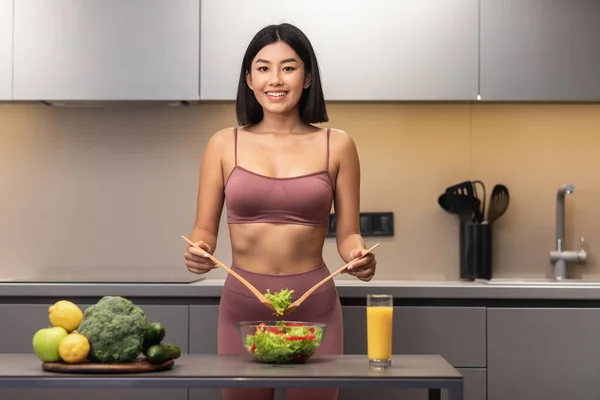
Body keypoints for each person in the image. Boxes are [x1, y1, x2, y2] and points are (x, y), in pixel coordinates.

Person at [183, 22, 377, 400]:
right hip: (243, 304)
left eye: (288, 67)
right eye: (263, 67)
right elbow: (204, 231)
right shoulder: (223, 145)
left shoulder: (337, 146)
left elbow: (349, 234)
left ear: (306, 78)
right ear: (249, 79)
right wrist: (198, 251)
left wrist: (358, 255)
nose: (276, 79)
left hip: (314, 303)